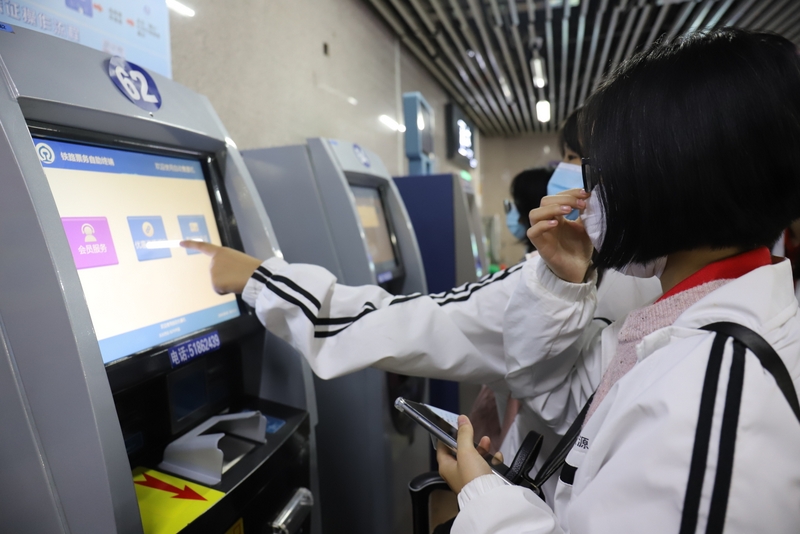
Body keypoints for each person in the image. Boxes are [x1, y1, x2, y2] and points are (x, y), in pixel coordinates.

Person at [436, 28, 800, 533]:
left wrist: (483, 500)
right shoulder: (676, 324)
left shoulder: (715, 400)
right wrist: (563, 281)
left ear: (665, 181)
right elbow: (551, 394)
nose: (590, 195)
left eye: (600, 172)